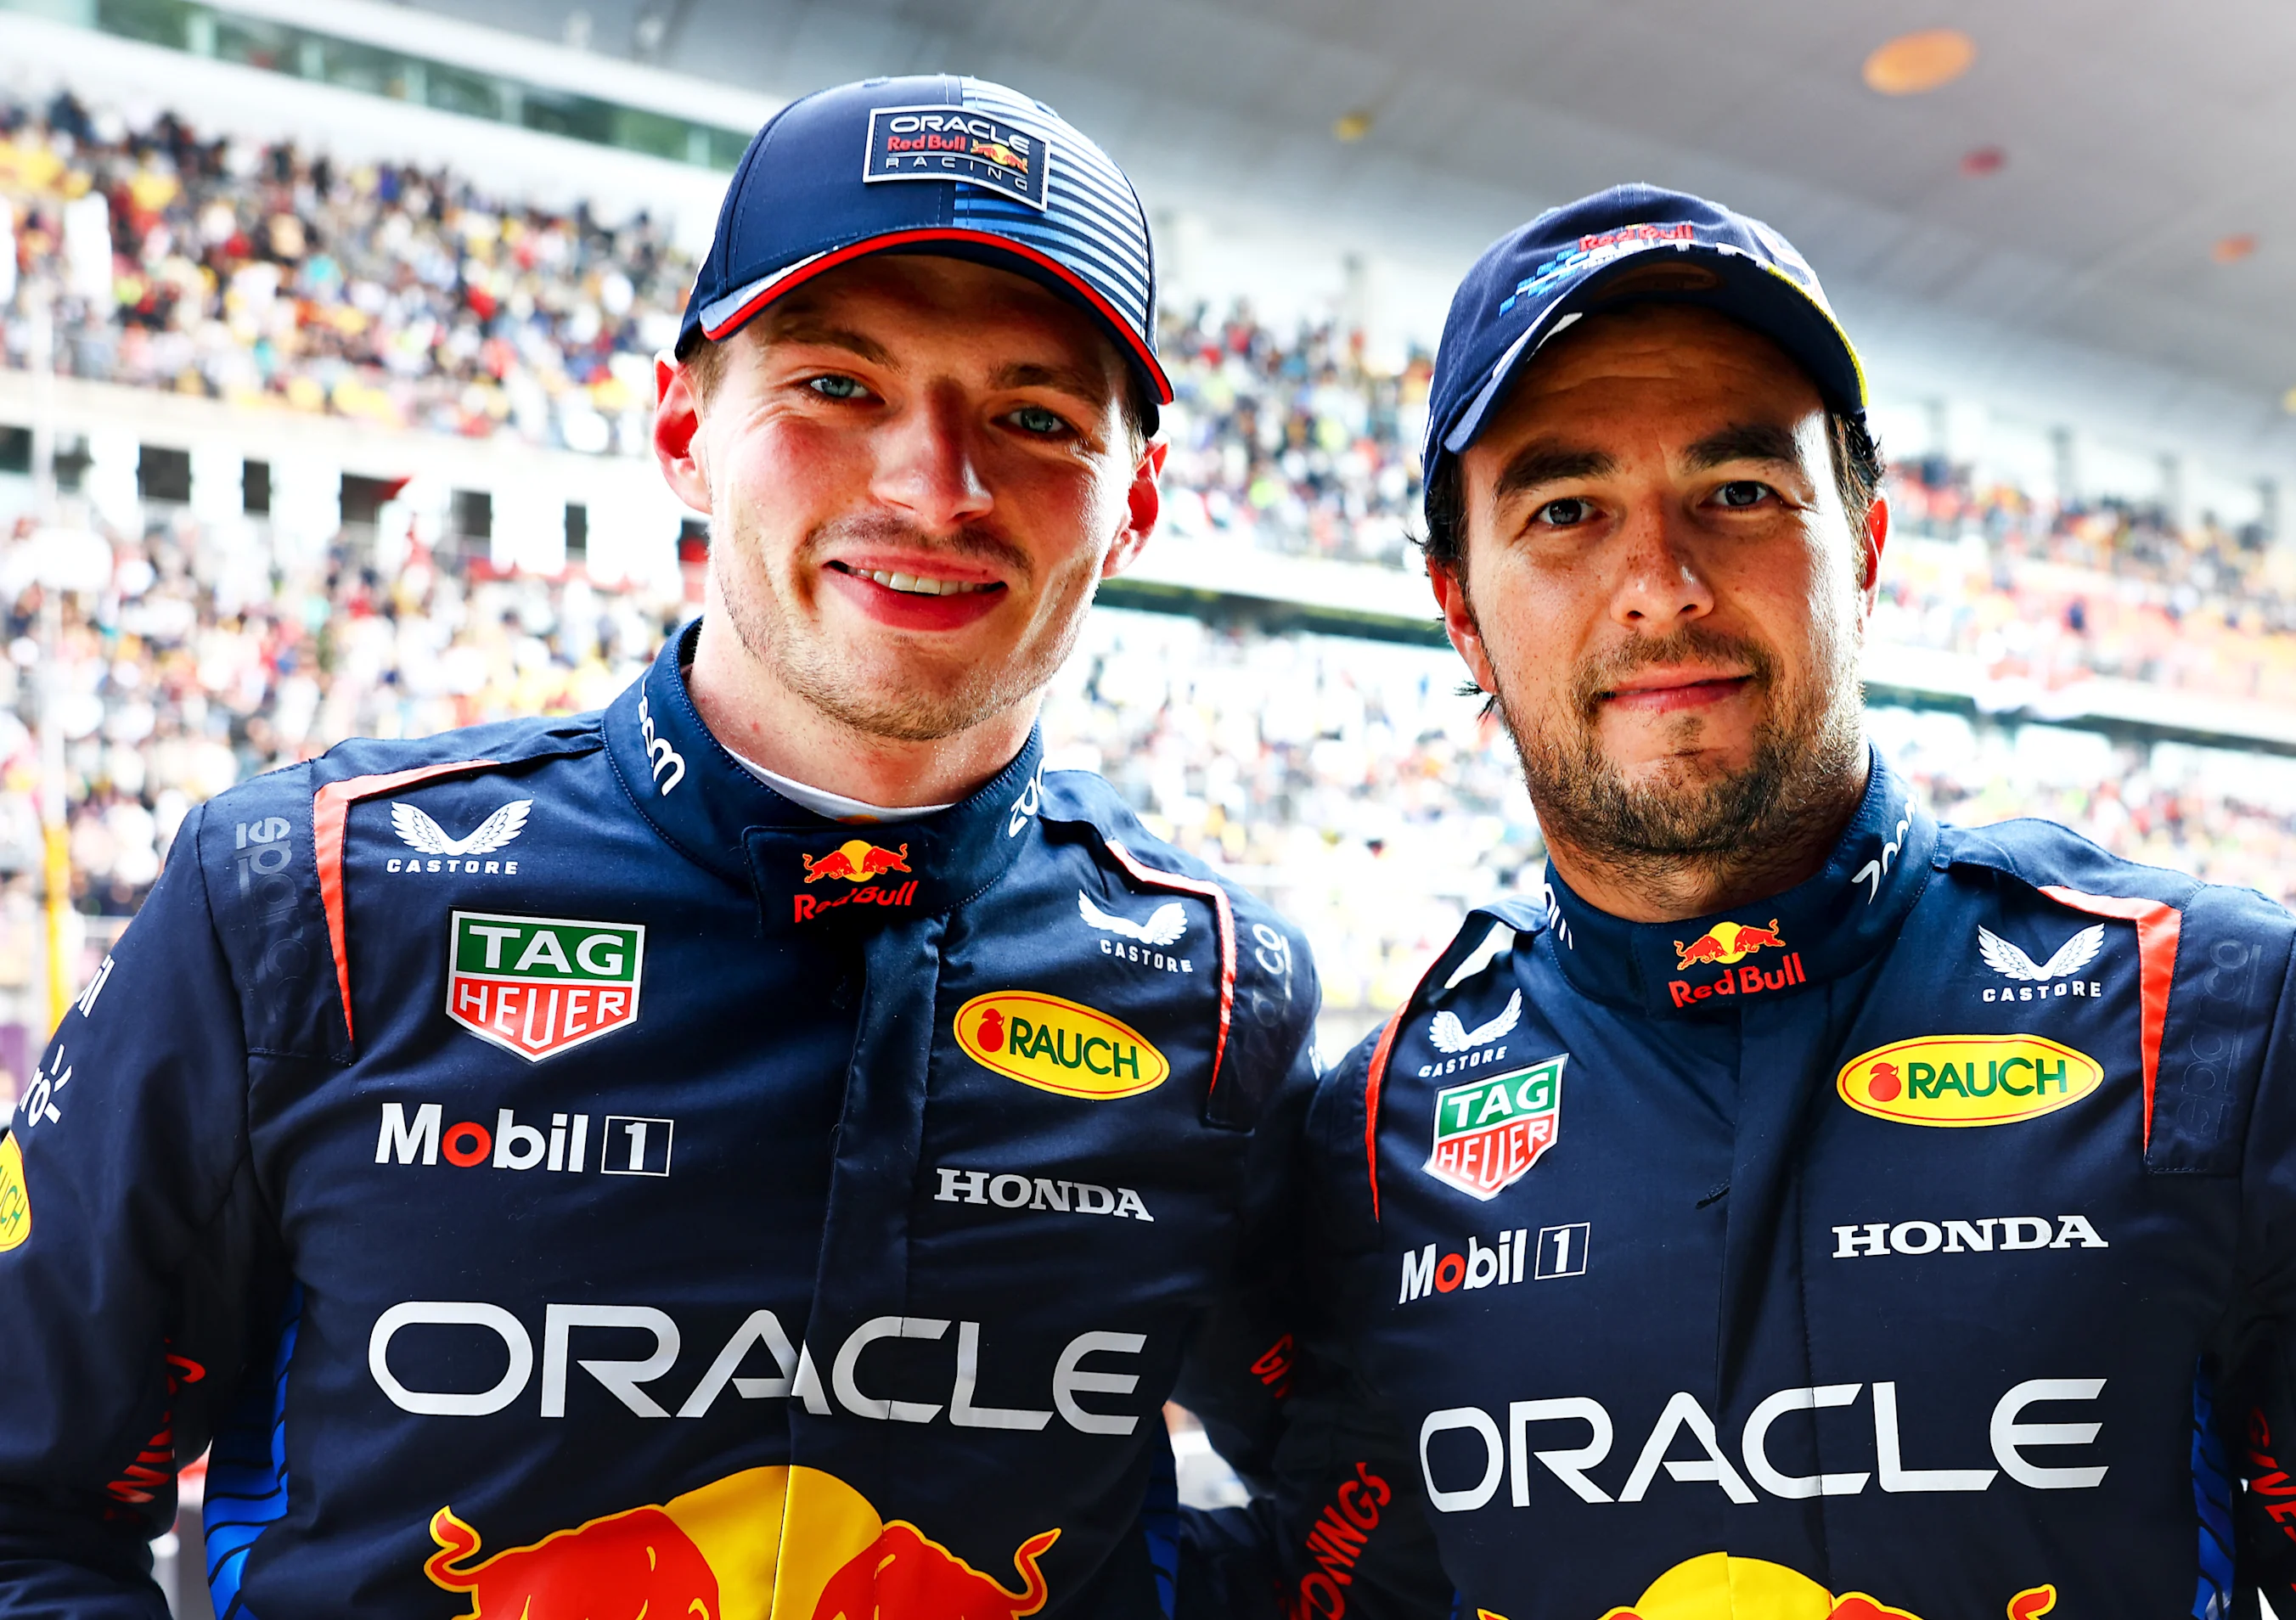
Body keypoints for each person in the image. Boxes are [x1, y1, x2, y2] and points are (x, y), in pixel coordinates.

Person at [0, 76, 1320, 1616]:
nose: (932, 486)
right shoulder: (307, 895)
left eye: (1033, 419)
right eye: (837, 387)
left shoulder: (1221, 990)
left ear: (1137, 500)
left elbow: (1358, 1506)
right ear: (687, 429)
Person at [1188, 185, 2296, 1620]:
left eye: (1739, 494)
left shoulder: (2199, 1011)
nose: (1660, 584)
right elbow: (1341, 1583)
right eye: (1567, 509)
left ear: (1866, 549)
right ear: (1460, 606)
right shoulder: (1380, 1116)